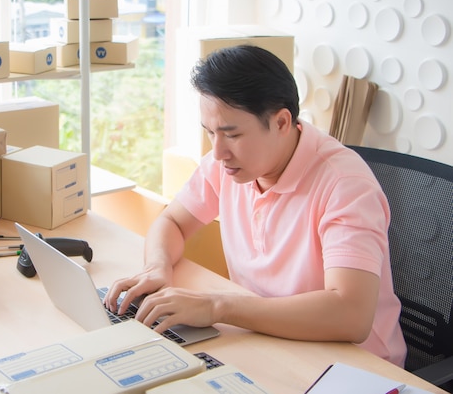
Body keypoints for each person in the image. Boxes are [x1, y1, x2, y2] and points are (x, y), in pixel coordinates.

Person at [104, 44, 407, 367]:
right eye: (210, 133)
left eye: (231, 134)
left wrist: (218, 307)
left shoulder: (345, 186)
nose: (218, 152)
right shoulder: (227, 164)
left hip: (353, 366)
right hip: (265, 340)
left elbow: (350, 315)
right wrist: (157, 267)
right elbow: (173, 223)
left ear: (281, 122)